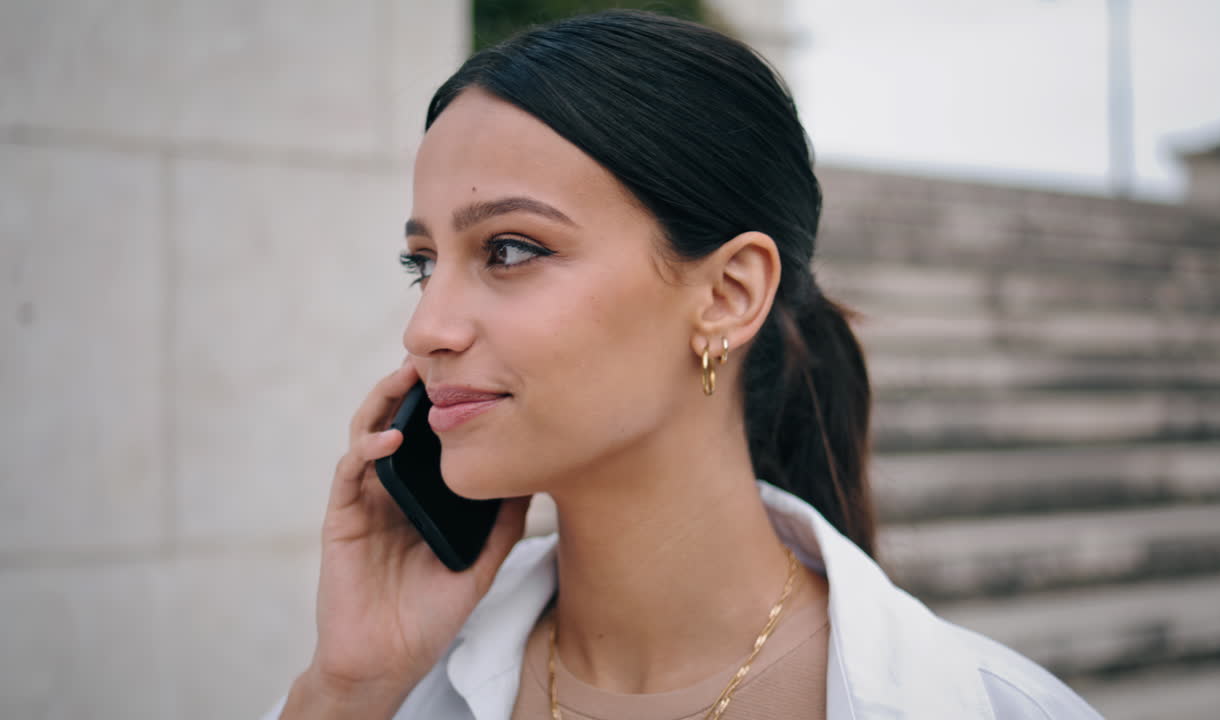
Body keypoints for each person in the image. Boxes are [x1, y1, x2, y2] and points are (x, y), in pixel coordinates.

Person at [261, 10, 1103, 720]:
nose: (427, 327)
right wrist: (348, 690)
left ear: (730, 294)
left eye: (510, 249)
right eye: (423, 262)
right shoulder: (393, 691)